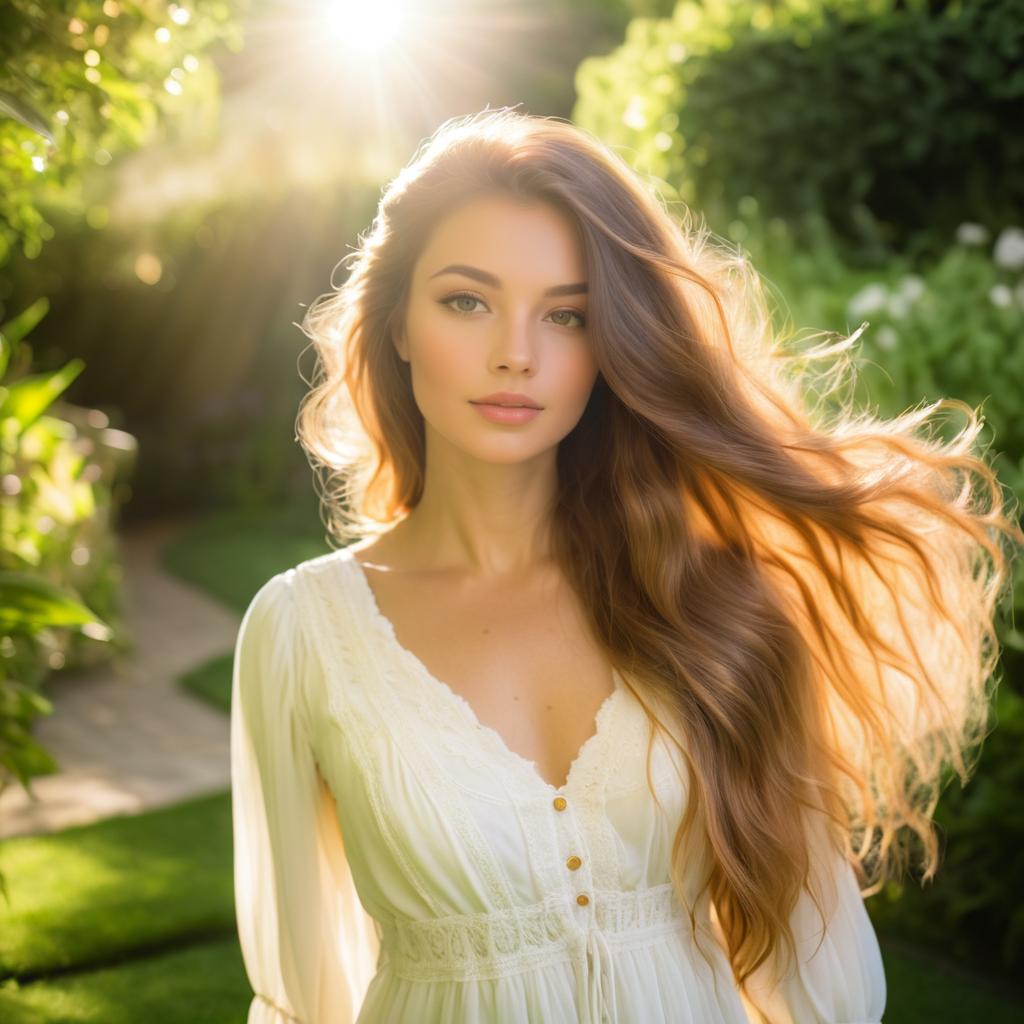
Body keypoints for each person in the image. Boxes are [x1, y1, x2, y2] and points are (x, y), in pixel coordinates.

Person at [230, 108, 1022, 1023]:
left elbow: (818, 975)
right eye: (466, 301)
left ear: (611, 346)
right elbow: (301, 995)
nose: (515, 355)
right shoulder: (304, 632)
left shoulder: (710, 596)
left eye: (566, 315)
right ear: (397, 324)